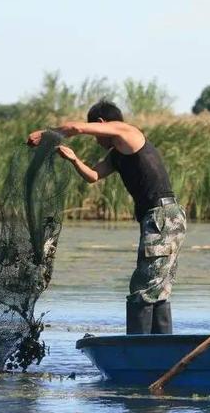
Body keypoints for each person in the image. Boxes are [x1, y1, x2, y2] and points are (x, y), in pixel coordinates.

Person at [27, 100, 186, 335]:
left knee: (143, 288)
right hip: (159, 219)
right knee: (156, 286)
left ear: (102, 123)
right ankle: (159, 347)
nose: (96, 139)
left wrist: (46, 135)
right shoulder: (117, 155)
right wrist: (73, 160)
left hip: (163, 217)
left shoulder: (127, 132)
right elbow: (93, 176)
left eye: (96, 132)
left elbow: (77, 128)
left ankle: (138, 350)